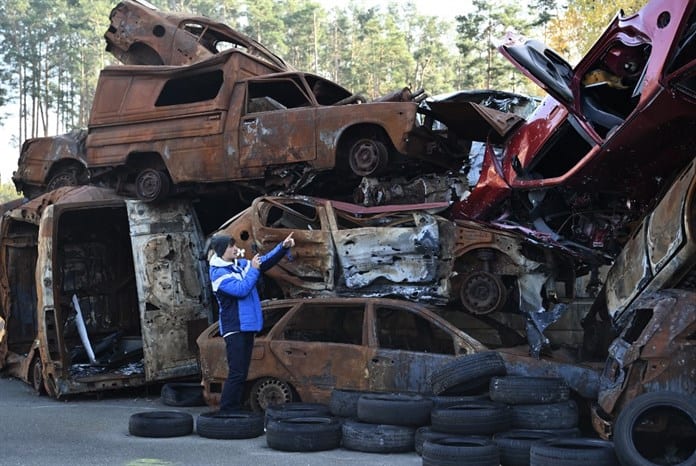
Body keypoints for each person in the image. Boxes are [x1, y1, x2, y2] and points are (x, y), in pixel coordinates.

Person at [208, 232, 295, 413]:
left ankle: (235, 408)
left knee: (242, 372)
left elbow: (263, 262)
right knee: (237, 372)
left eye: (234, 245)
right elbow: (241, 289)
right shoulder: (218, 274)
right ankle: (228, 410)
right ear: (222, 250)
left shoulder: (240, 265)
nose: (235, 248)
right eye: (231, 246)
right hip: (235, 328)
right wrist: (254, 269)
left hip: (247, 326)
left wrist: (283, 247)